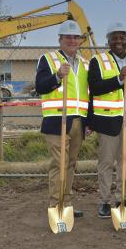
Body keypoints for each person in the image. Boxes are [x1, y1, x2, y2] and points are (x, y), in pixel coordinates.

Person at [88, 22, 126, 218]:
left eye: (122, 37)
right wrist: (119, 79)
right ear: (108, 41)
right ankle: (104, 201)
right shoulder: (98, 61)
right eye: (115, 38)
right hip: (108, 119)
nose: (119, 41)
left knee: (125, 161)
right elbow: (94, 88)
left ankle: (122, 199)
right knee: (106, 162)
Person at [35, 20, 89, 218]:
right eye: (68, 37)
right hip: (56, 119)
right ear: (60, 39)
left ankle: (66, 203)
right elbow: (40, 86)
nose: (72, 40)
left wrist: (88, 122)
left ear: (80, 41)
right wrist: (57, 76)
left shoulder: (84, 63)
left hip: (78, 121)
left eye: (76, 37)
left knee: (71, 163)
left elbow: (87, 94)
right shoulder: (48, 59)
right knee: (60, 163)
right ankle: (55, 205)